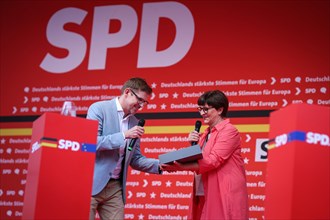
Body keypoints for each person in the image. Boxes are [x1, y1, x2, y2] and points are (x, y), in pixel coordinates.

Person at [161, 90, 249, 220]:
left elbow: (213, 160)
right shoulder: (205, 134)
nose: (202, 113)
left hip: (222, 191)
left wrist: (179, 167)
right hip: (204, 189)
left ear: (220, 110)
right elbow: (199, 159)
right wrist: (191, 147)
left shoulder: (230, 130)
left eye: (206, 109)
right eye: (200, 109)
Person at [86, 77, 161, 220]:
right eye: (140, 100)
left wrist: (161, 165)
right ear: (127, 92)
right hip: (91, 183)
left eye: (145, 102)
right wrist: (123, 136)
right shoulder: (99, 108)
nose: (141, 106)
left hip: (115, 188)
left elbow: (135, 159)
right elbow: (92, 143)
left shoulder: (134, 122)